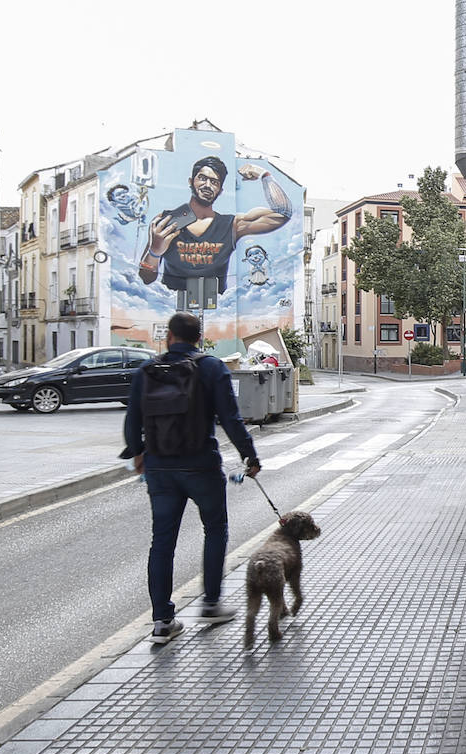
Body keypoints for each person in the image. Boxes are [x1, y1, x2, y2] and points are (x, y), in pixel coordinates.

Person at [121, 312, 262, 643]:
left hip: (159, 469)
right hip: (201, 465)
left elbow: (132, 419)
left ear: (169, 336)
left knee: (162, 542)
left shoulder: (147, 370)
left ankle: (162, 622)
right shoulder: (211, 368)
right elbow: (231, 419)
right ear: (199, 337)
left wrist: (138, 453)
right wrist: (250, 456)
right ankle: (211, 603)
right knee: (215, 530)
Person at [138, 156, 293, 296]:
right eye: (202, 178)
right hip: (174, 314)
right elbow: (146, 278)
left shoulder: (232, 225)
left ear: (220, 190)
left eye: (214, 182)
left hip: (216, 314)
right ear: (191, 181)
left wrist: (264, 175)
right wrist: (155, 252)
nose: (207, 185)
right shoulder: (167, 221)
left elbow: (283, 213)